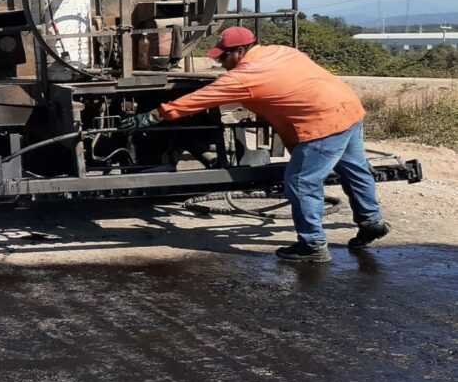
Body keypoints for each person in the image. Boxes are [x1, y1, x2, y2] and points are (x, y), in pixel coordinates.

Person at [121, 26, 389, 263]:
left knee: (301, 182)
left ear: (240, 51)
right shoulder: (282, 51)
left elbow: (201, 99)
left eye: (224, 57)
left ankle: (312, 245)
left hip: (321, 124)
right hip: (349, 109)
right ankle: (372, 222)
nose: (222, 63)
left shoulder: (243, 77)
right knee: (355, 169)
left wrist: (154, 115)